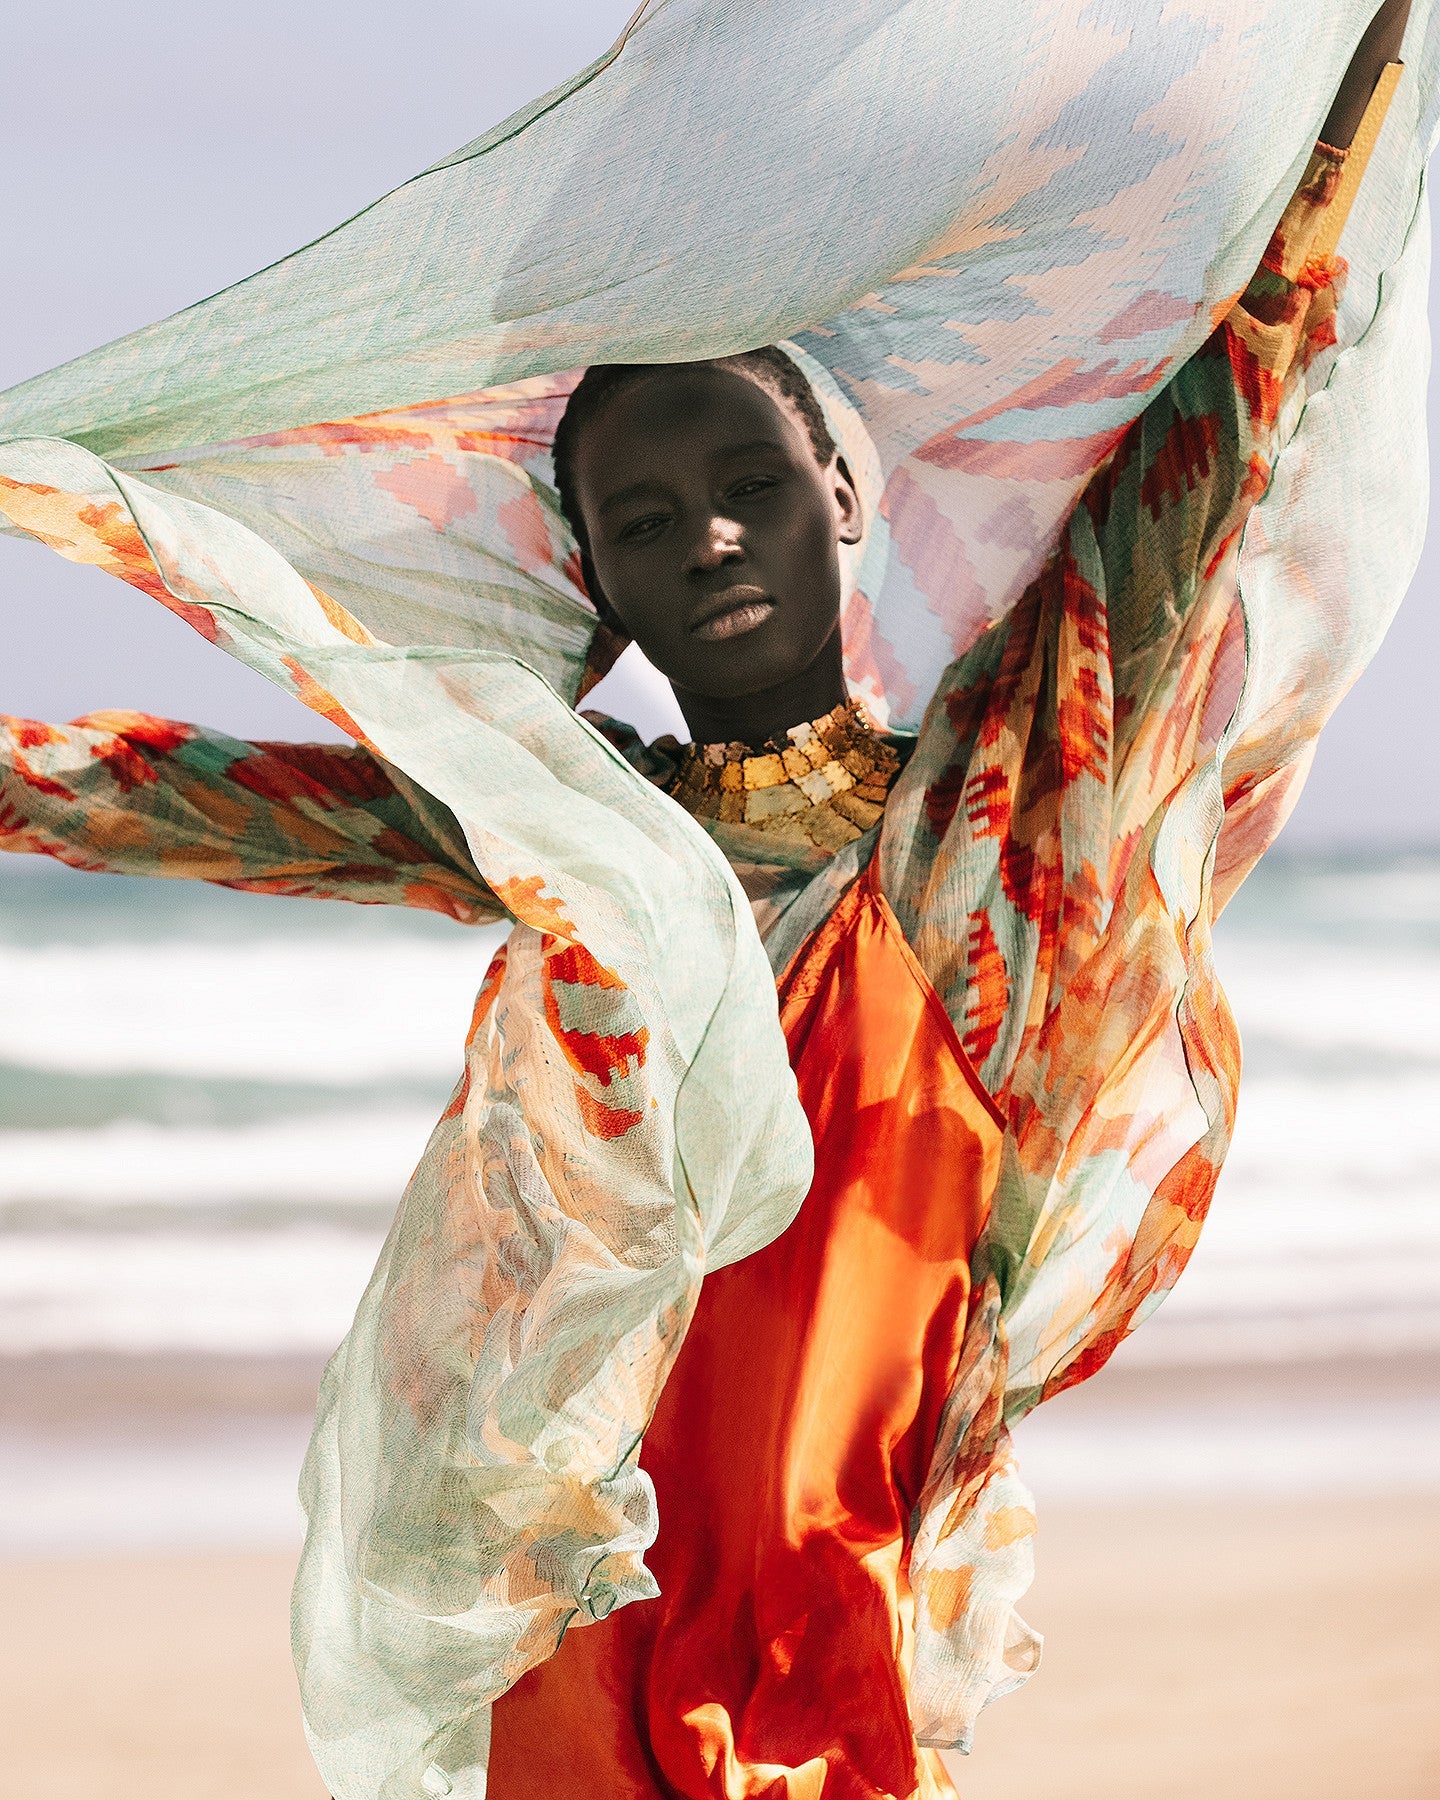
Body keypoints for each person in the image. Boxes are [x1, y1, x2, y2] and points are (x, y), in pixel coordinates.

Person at [0, 5, 1419, 1796]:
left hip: (842, 1609)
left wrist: (1349, 81)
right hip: (603, 1594)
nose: (712, 540)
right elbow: (204, 801)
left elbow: (1207, 449)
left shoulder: (1002, 807)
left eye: (748, 487)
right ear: (599, 576)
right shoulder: (591, 834)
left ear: (843, 488)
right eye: (649, 523)